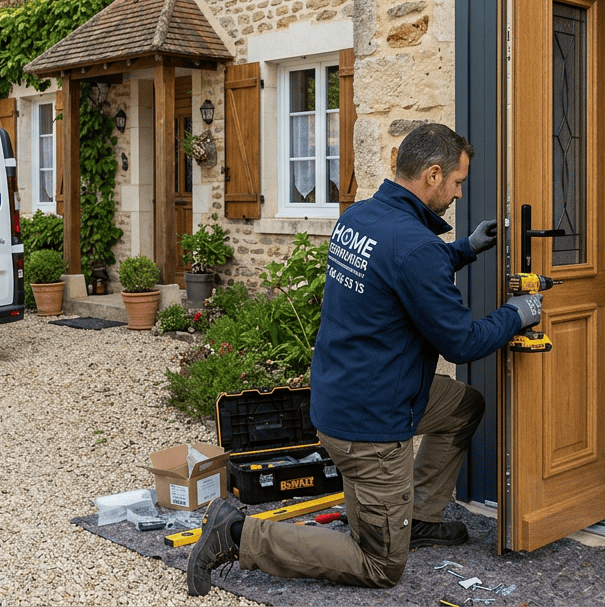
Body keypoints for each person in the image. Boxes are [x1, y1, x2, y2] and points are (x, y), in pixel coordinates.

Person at [187, 123, 543, 596]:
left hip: (345, 394)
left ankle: (414, 519)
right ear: (433, 175)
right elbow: (461, 342)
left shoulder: (361, 218)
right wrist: (516, 315)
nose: (459, 194)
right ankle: (237, 535)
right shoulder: (415, 246)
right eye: (457, 182)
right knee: (379, 565)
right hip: (371, 426)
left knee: (464, 407)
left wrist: (465, 249)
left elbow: (402, 270)